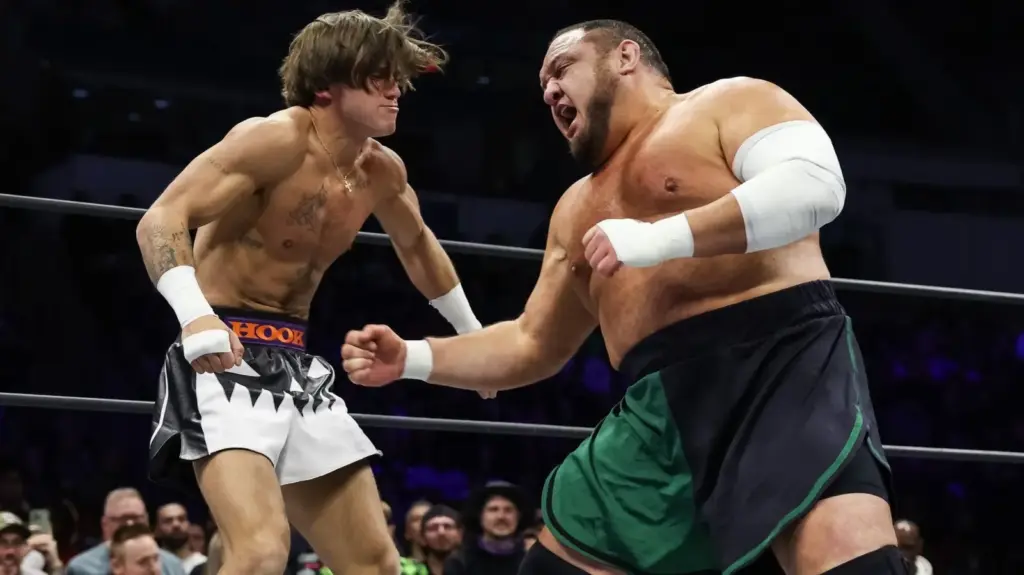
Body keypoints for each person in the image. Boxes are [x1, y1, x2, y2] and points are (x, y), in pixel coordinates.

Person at [342, 18, 906, 575]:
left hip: (785, 368)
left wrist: (659, 237)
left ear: (626, 57)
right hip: (657, 410)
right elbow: (531, 342)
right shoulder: (574, 209)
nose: (550, 91)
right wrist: (411, 357)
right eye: (543, 86)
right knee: (552, 569)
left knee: (851, 563)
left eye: (563, 68)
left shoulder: (728, 102)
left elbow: (815, 187)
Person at [136, 3, 485, 574]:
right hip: (223, 357)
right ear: (327, 86)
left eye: (396, 77)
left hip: (297, 363)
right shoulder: (274, 140)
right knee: (259, 554)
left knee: (377, 565)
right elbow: (161, 219)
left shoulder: (381, 171)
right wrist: (195, 315)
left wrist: (474, 341)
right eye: (378, 76)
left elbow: (418, 246)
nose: (395, 90)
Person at [66, 489, 185, 575]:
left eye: (136, 518)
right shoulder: (81, 568)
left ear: (147, 520)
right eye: (122, 519)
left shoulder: (172, 565)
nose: (130, 524)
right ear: (105, 524)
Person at [152, 504, 205, 572]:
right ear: (157, 530)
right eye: (168, 521)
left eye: (181, 519)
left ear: (189, 525)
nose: (176, 524)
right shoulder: (152, 566)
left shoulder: (204, 564)